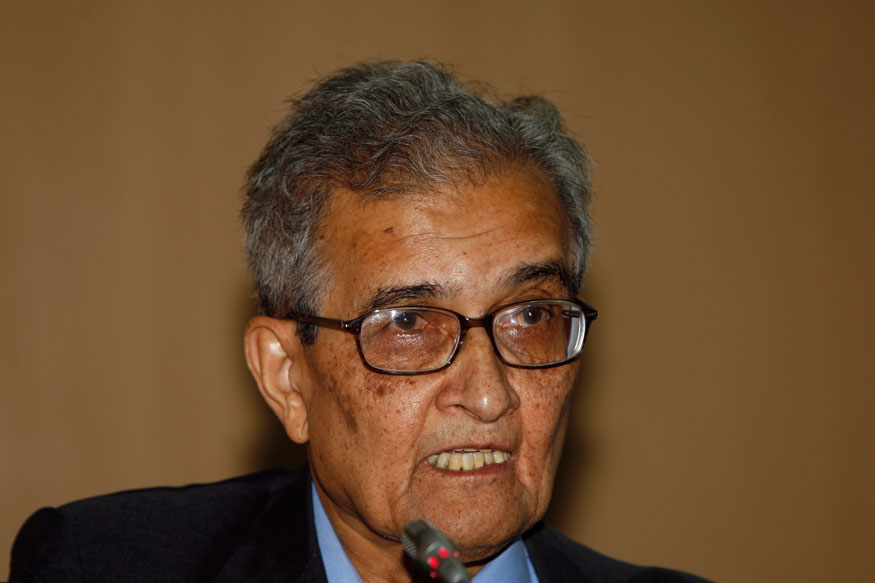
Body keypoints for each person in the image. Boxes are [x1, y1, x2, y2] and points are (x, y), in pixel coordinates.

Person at [9, 60, 707, 582]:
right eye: (407, 322)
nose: (489, 394)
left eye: (529, 314)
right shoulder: (103, 564)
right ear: (287, 377)